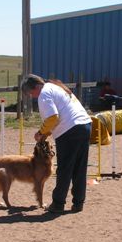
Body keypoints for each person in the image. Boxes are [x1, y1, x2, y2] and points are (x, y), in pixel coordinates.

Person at [21, 74, 92, 214]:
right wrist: (45, 134)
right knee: (79, 167)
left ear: (35, 87)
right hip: (85, 125)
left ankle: (58, 204)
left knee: (65, 169)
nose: (32, 96)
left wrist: (40, 133)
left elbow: (53, 117)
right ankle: (78, 203)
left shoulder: (44, 94)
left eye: (30, 93)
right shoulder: (56, 87)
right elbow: (56, 118)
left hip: (69, 131)